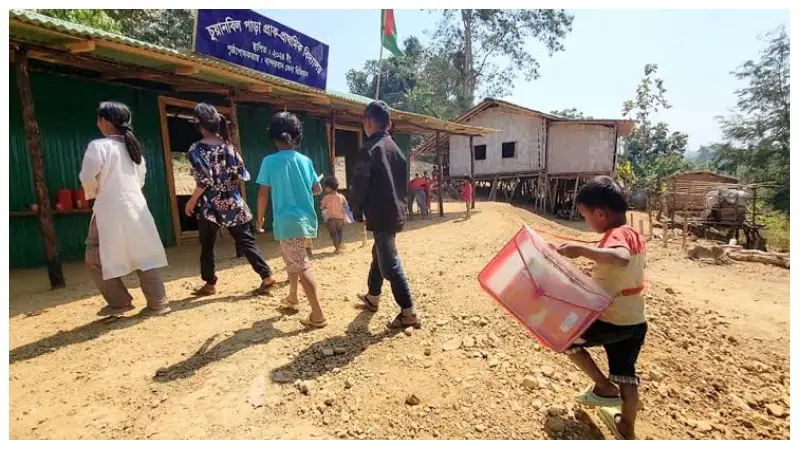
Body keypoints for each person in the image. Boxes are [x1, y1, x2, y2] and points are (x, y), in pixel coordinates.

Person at [556, 176, 648, 440]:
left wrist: (580, 249)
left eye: (586, 216)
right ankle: (627, 428)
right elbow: (622, 271)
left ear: (600, 213)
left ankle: (602, 386)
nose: (587, 221)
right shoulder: (634, 234)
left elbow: (620, 258)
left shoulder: (616, 236)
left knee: (564, 338)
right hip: (634, 322)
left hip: (610, 320)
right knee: (626, 375)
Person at [79, 101, 170, 316]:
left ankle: (119, 302)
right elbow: (140, 181)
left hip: (108, 209)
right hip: (136, 208)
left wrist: (93, 194)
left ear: (104, 121)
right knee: (144, 253)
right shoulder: (135, 151)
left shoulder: (99, 146)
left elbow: (87, 177)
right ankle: (159, 303)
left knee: (94, 257)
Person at [185, 103, 275, 296]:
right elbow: (241, 174)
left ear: (199, 124)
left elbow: (204, 180)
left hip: (210, 204)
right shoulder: (229, 148)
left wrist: (192, 201)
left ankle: (210, 283)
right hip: (233, 200)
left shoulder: (197, 149)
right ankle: (266, 275)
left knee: (207, 245)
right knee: (246, 241)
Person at [351, 100, 420, 329]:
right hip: (396, 212)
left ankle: (408, 312)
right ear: (389, 124)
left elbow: (360, 186)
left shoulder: (368, 150)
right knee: (378, 253)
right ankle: (373, 297)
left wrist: (357, 210)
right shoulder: (397, 150)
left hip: (380, 214)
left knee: (389, 262)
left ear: (368, 122)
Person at [256, 111, 326, 328]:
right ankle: (292, 297)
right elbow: (317, 189)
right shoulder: (306, 161)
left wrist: (259, 219)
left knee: (300, 264)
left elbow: (263, 194)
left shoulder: (269, 161)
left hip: (287, 222)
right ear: (297, 136)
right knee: (293, 259)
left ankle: (318, 314)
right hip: (305, 221)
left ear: (274, 137)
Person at [320, 175, 349, 254]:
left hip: (331, 220)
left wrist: (325, 216)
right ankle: (339, 246)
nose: (325, 189)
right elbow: (346, 205)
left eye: (326, 187)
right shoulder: (341, 196)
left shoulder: (326, 198)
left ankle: (337, 248)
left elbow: (322, 207)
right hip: (340, 220)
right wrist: (345, 218)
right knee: (340, 233)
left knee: (333, 235)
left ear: (329, 188)